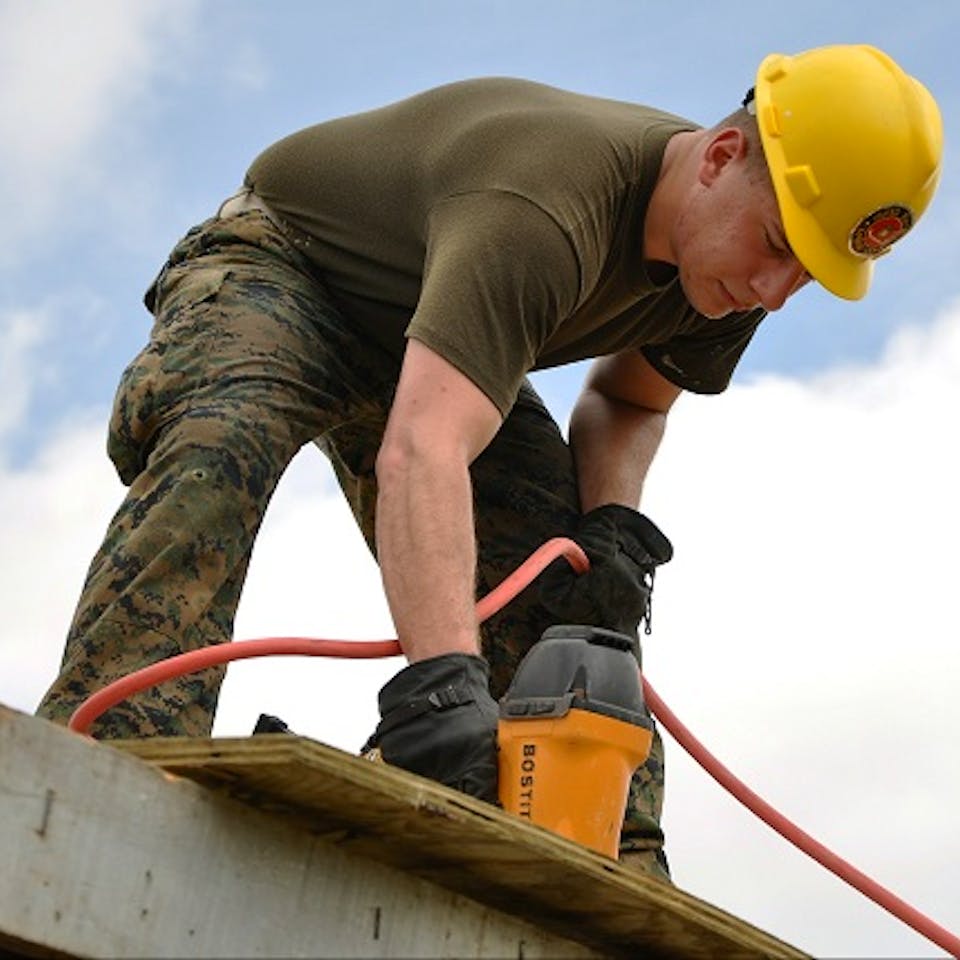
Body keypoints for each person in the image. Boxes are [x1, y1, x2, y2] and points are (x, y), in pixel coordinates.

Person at [36, 44, 941, 878]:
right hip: (292, 270)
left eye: (809, 276)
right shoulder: (545, 209)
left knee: (573, 584)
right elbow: (424, 449)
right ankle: (109, 749)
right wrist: (441, 685)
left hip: (439, 342)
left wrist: (611, 524)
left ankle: (610, 850)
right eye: (779, 247)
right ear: (718, 160)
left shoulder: (734, 275)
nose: (773, 293)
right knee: (220, 450)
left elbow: (628, 400)